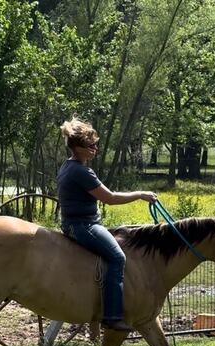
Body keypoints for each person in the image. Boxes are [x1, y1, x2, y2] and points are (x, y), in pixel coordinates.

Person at [57, 117, 157, 331]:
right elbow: (110, 198)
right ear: (77, 147)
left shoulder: (69, 165)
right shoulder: (81, 171)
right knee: (117, 257)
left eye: (95, 144)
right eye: (90, 145)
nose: (95, 149)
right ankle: (112, 315)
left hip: (74, 223)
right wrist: (140, 194)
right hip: (83, 226)